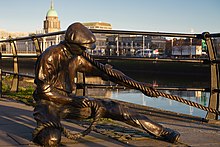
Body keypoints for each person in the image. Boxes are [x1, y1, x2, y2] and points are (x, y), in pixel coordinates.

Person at [33, 22, 180, 146]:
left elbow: (107, 73)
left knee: (118, 109)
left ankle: (162, 131)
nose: (85, 51)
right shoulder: (50, 56)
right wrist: (74, 100)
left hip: (71, 103)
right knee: (51, 139)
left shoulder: (77, 57)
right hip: (49, 104)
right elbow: (43, 91)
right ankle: (45, 128)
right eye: (83, 47)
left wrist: (139, 86)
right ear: (72, 43)